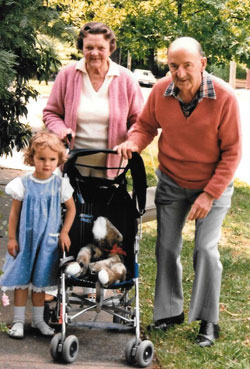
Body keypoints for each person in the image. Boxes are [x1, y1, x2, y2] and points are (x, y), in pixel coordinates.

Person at [115, 37, 242, 347]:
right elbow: (146, 125)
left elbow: (233, 152)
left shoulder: (224, 97)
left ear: (202, 63)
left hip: (213, 184)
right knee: (167, 248)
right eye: (173, 66)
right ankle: (169, 313)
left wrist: (209, 194)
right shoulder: (161, 91)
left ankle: (209, 321)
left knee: (205, 250)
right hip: (172, 181)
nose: (180, 73)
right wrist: (133, 142)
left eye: (187, 65)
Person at [43, 21, 144, 299]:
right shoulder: (68, 75)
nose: (95, 53)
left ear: (110, 47)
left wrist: (130, 142)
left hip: (112, 168)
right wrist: (63, 131)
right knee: (70, 222)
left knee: (102, 227)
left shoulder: (125, 79)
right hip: (74, 166)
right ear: (82, 47)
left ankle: (98, 281)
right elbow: (51, 113)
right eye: (89, 47)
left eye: (101, 47)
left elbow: (140, 121)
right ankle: (61, 280)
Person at [0, 131, 76, 339]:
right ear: (31, 158)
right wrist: (13, 238)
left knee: (41, 282)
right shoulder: (23, 184)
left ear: (59, 160)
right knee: (22, 279)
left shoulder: (60, 185)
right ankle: (17, 322)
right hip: (26, 241)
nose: (47, 163)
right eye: (41, 158)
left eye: (52, 159)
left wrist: (65, 232)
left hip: (48, 241)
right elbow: (14, 213)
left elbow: (71, 209)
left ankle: (38, 320)